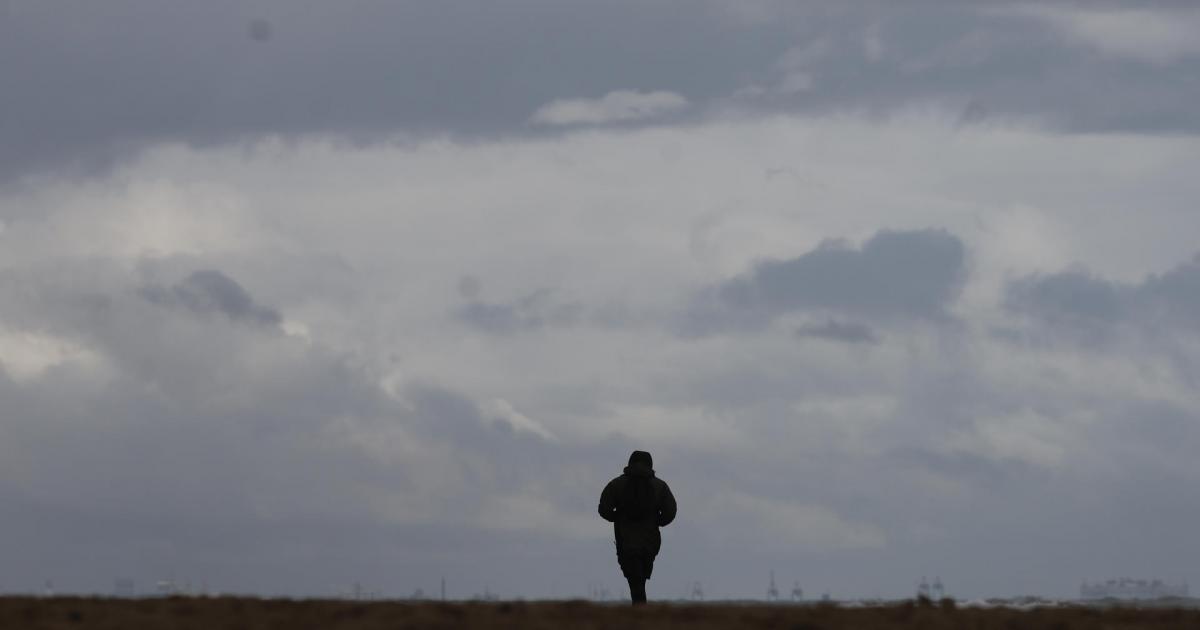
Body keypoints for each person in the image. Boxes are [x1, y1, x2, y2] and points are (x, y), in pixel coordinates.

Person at [598, 450, 677, 605]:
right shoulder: (660, 486)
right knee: (640, 581)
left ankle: (640, 612)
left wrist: (617, 518)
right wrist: (657, 521)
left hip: (625, 541)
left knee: (635, 582)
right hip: (650, 542)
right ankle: (641, 612)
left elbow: (604, 509)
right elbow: (670, 512)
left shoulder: (616, 484)